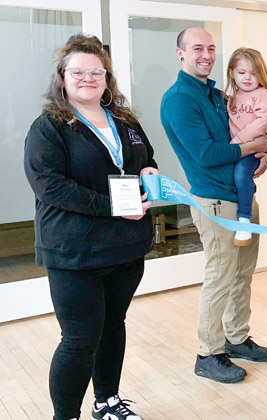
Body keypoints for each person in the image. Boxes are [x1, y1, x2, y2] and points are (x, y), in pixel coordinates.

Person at [23, 33, 157, 420]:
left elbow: (144, 158)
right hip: (74, 252)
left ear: (107, 78)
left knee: (113, 326)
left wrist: (150, 172)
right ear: (62, 77)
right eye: (77, 71)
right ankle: (66, 416)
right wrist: (112, 205)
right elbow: (50, 186)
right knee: (80, 339)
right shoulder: (49, 126)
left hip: (126, 247)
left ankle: (107, 402)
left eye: (96, 71)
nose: (87, 77)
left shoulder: (126, 121)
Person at [161, 28, 267, 384]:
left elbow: (246, 131)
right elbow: (207, 154)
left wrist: (264, 152)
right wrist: (254, 145)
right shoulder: (179, 99)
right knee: (220, 277)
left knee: (242, 274)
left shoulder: (217, 94)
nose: (206, 54)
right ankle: (207, 354)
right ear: (180, 53)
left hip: (242, 197)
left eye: (211, 48)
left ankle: (237, 338)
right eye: (198, 48)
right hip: (213, 200)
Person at [225, 47, 267, 246]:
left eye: (253, 73)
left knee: (241, 174)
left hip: (248, 148)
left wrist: (238, 140)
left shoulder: (263, 94)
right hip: (235, 148)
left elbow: (263, 122)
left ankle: (244, 219)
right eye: (241, 72)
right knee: (238, 178)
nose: (247, 78)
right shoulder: (231, 97)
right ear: (232, 73)